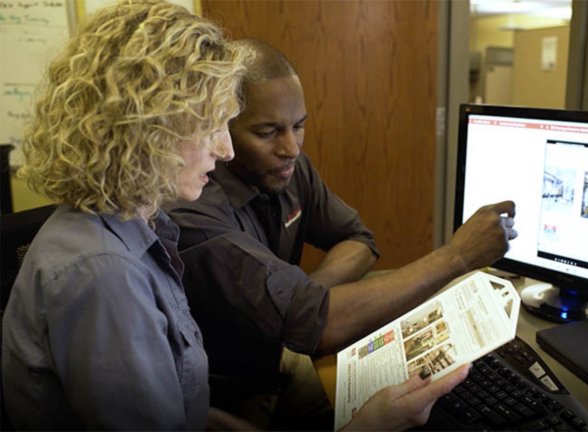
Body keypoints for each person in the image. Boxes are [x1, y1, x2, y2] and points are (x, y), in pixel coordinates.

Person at [1, 3, 471, 430]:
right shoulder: (104, 273)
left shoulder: (135, 227)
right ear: (146, 132)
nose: (224, 149)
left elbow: (181, 406)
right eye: (210, 128)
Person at [167, 39, 518, 430]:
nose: (290, 148)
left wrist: (305, 293)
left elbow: (359, 241)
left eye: (298, 127)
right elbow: (321, 326)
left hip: (279, 355)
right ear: (221, 130)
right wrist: (458, 256)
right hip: (230, 398)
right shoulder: (195, 210)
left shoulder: (289, 168)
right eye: (268, 132)